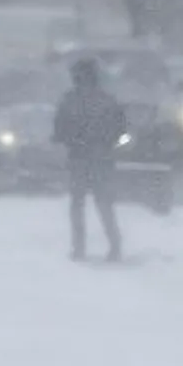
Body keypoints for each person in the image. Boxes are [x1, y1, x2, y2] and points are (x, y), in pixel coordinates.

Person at [52, 57, 127, 261]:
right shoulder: (107, 100)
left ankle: (79, 248)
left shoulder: (69, 101)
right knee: (104, 204)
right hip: (102, 158)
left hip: (78, 158)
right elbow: (121, 129)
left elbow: (59, 130)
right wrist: (108, 143)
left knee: (77, 205)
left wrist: (69, 140)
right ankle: (115, 246)